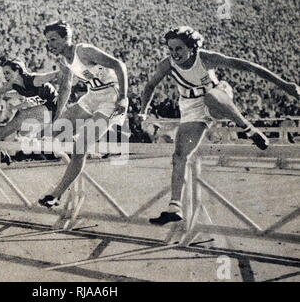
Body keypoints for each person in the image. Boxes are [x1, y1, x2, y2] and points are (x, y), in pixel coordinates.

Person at [139, 26, 300, 225]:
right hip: (190, 106)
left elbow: (250, 67)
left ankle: (248, 128)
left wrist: (286, 85)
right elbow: (150, 85)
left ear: (191, 47)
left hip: (218, 97)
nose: (175, 54)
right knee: (180, 155)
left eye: (179, 49)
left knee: (210, 97)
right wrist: (143, 111)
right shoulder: (167, 64)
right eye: (171, 49)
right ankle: (175, 207)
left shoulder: (206, 58)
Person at [37, 21, 128, 208]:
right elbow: (65, 87)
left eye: (54, 39)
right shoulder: (63, 60)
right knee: (52, 133)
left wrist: (124, 98)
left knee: (80, 148)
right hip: (91, 96)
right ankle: (80, 158)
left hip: (110, 98)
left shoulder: (84, 51)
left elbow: (119, 65)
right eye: (48, 41)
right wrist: (59, 116)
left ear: (66, 38)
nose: (50, 44)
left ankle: (56, 194)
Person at [0, 57, 60, 147]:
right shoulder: (13, 84)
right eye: (4, 74)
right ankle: (0, 144)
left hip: (55, 107)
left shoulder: (35, 80)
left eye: (8, 73)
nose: (5, 76)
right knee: (19, 121)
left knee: (24, 114)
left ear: (17, 71)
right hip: (43, 110)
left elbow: (56, 74)